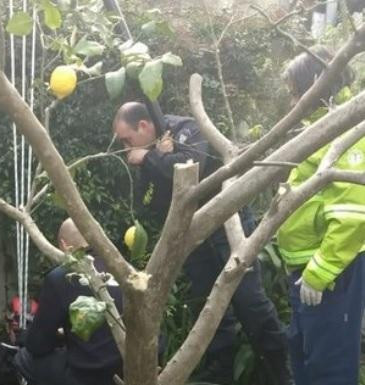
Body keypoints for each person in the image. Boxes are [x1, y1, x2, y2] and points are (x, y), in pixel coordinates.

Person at [112, 102, 292, 384]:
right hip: (191, 232)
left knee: (248, 299)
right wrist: (159, 159)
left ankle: (282, 373)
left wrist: (152, 159)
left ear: (144, 126)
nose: (126, 149)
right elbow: (148, 201)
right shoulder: (149, 150)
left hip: (227, 219)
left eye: (127, 139)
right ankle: (220, 372)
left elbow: (193, 168)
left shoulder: (184, 129)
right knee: (207, 303)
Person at [277, 46, 364, 385]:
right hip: (310, 268)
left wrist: (321, 271)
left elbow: (354, 211)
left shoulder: (346, 128)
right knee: (306, 356)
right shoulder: (323, 127)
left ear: (317, 83)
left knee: (329, 367)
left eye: (295, 92)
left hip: (331, 271)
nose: (293, 101)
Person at [13, 218, 123, 385]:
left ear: (64, 245)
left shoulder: (61, 277)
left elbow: (38, 345)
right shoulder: (125, 269)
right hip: (125, 371)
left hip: (86, 377)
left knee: (24, 358)